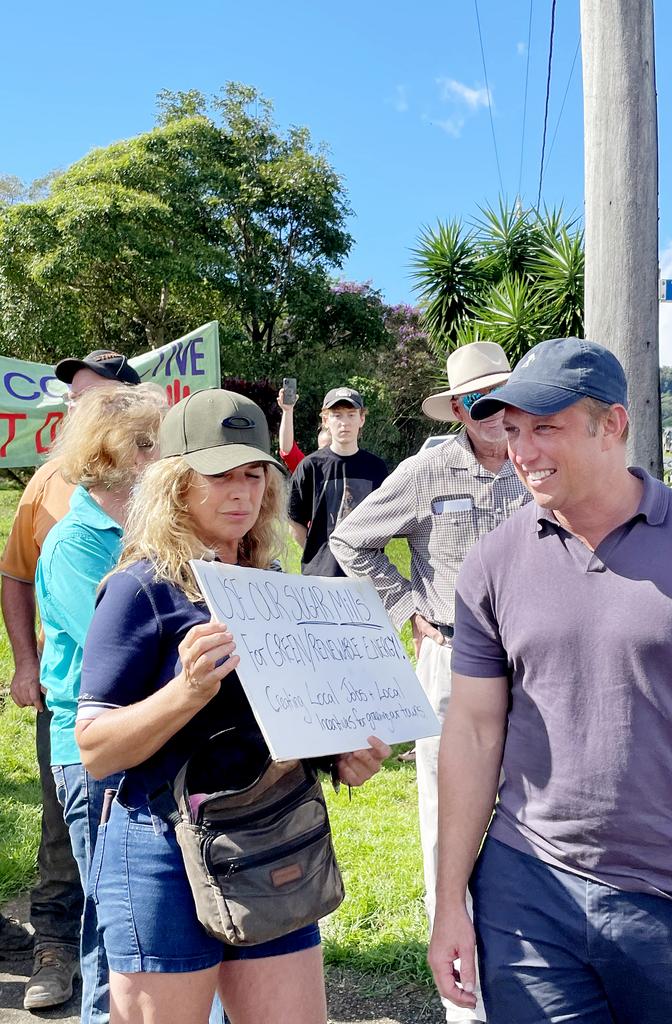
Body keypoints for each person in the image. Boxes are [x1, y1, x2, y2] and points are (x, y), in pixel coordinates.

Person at [429, 336, 672, 1024]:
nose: (522, 450)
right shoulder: (493, 562)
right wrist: (449, 904)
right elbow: (471, 731)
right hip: (527, 896)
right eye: (513, 429)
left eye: (546, 428)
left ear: (612, 425)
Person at [74, 388, 390, 1023]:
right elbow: (96, 748)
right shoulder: (139, 589)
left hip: (268, 838)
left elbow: (282, 717)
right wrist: (186, 692)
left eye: (253, 475)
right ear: (175, 484)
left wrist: (340, 755)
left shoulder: (272, 588)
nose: (242, 493)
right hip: (162, 846)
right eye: (219, 476)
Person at [330, 342, 529, 1024]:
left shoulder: (540, 460)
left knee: (537, 817)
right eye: (479, 403)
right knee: (450, 823)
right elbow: (351, 540)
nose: (495, 415)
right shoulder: (428, 469)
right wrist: (407, 610)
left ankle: (530, 969)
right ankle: (463, 1001)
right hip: (452, 656)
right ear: (458, 410)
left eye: (504, 397)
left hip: (537, 664)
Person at [0, 348, 140, 1010]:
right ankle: (53, 952)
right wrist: (26, 663)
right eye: (72, 397)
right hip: (76, 694)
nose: (73, 406)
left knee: (119, 865)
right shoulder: (52, 486)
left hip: (144, 703)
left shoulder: (161, 484)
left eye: (92, 396)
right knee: (67, 827)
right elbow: (16, 573)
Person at [35, 384, 165, 1024]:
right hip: (93, 757)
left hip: (144, 742)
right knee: (115, 926)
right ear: (109, 455)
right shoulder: (76, 543)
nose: (162, 458)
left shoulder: (144, 532)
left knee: (138, 923)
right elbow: (115, 653)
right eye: (148, 445)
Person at [288, 386, 387, 576]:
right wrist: (320, 555)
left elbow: (384, 520)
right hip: (321, 577)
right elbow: (295, 521)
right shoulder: (310, 466)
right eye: (337, 415)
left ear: (362, 419)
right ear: (325, 420)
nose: (345, 423)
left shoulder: (376, 468)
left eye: (351, 415)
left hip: (367, 575)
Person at [277, 386, 330, 472]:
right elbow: (288, 451)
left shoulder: (357, 468)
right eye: (322, 450)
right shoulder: (311, 471)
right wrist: (287, 411)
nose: (325, 455)